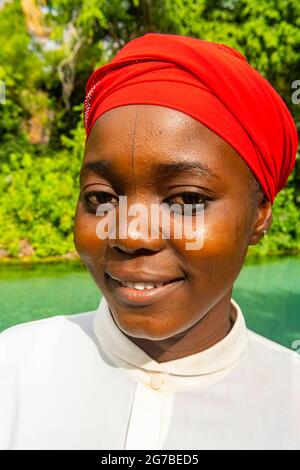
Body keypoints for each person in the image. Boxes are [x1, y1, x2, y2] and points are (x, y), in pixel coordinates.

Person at [0, 33, 299, 450]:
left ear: (259, 216)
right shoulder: (12, 369)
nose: (129, 233)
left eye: (187, 199)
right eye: (101, 198)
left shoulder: (291, 402)